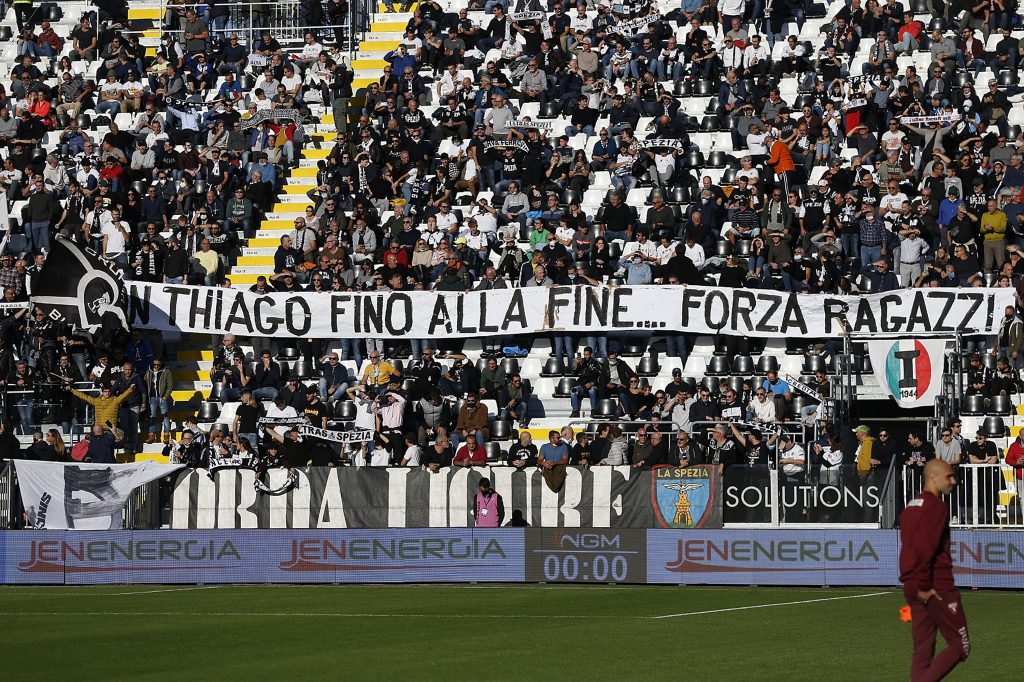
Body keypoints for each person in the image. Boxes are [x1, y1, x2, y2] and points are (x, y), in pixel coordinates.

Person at [899, 459, 970, 681]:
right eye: (949, 476)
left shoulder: (911, 506)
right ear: (933, 477)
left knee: (923, 649)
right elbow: (925, 548)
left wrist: (914, 584)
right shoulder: (936, 506)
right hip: (934, 584)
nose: (954, 481)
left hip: (911, 584)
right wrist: (925, 585)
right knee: (961, 646)